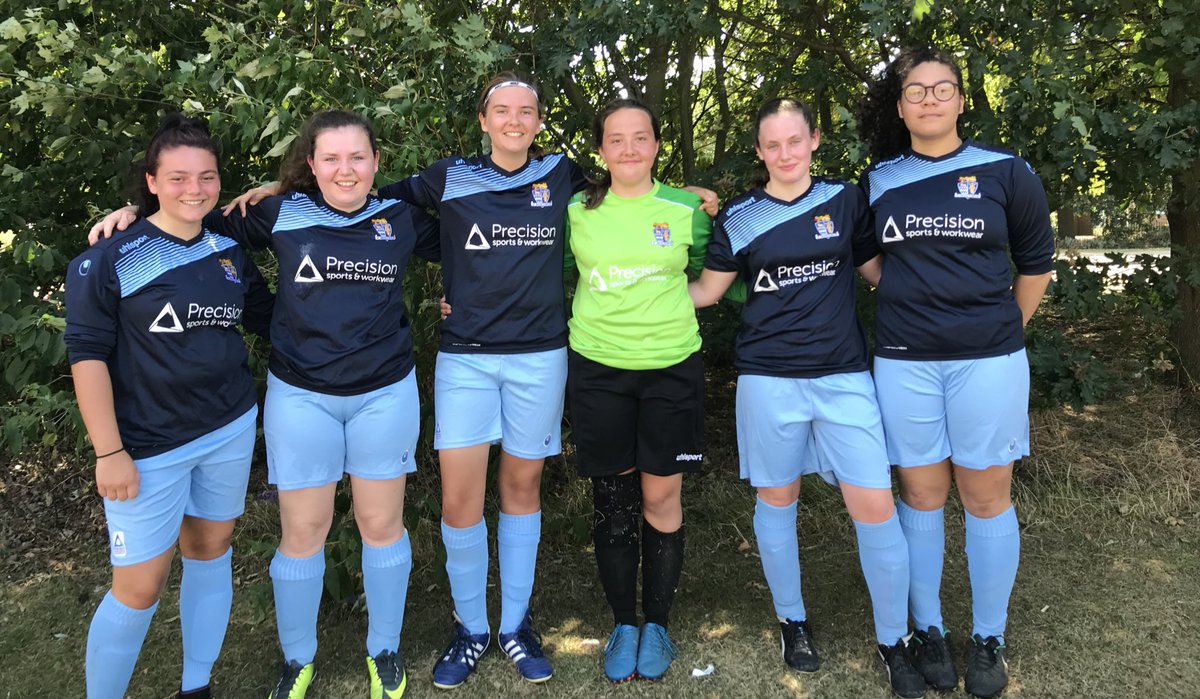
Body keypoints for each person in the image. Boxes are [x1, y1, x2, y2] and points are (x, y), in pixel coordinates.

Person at [217, 72, 716, 689]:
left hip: (539, 356)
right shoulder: (444, 178)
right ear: (483, 121)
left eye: (526, 111)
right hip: (465, 360)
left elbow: (629, 183)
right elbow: (356, 196)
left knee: (521, 488)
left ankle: (515, 625)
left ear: (538, 121)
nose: (513, 120)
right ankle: (470, 627)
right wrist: (283, 187)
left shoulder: (562, 177)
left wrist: (694, 195)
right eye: (500, 111)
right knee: (459, 497)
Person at [91, 109, 441, 699]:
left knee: (381, 524)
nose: (345, 169)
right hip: (301, 395)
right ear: (311, 165)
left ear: (377, 162)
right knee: (303, 531)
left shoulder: (401, 218)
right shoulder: (278, 212)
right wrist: (132, 218)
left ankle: (385, 649)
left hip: (385, 392)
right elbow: (189, 220)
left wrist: (461, 302)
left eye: (358, 157)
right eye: (330, 158)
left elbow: (474, 245)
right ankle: (297, 659)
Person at [688, 97, 925, 699]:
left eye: (796, 141)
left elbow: (882, 275)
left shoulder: (845, 200)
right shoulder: (739, 216)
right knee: (778, 500)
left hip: (845, 377)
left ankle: (894, 640)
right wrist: (627, 281)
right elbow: (705, 293)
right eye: (773, 145)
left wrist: (960, 298)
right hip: (768, 378)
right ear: (760, 151)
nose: (786, 154)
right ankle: (793, 621)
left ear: (814, 140)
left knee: (874, 506)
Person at [855, 47, 1055, 699]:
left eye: (944, 88)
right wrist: (914, 300)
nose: (931, 99)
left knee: (987, 495)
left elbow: (1036, 261)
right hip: (906, 361)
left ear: (963, 100)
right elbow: (867, 257)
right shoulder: (878, 179)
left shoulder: (1006, 171)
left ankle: (988, 637)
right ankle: (931, 629)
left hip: (989, 361)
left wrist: (1000, 329)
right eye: (917, 90)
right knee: (921, 495)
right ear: (901, 105)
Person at [67, 114, 273, 699]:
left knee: (209, 551)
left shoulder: (229, 248)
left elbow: (273, 317)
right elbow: (86, 357)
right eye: (178, 177)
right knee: (140, 586)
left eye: (206, 177)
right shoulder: (108, 258)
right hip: (146, 446)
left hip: (228, 428)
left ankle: (196, 686)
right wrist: (108, 451)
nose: (194, 189)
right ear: (151, 182)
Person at [562, 98, 710, 683]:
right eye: (616, 139)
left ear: (656, 145)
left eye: (640, 137)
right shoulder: (575, 208)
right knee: (615, 501)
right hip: (598, 368)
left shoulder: (685, 207)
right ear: (600, 149)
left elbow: (705, 272)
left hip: (671, 366)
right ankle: (624, 622)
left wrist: (665, 306)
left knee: (661, 498)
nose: (628, 149)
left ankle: (659, 623)